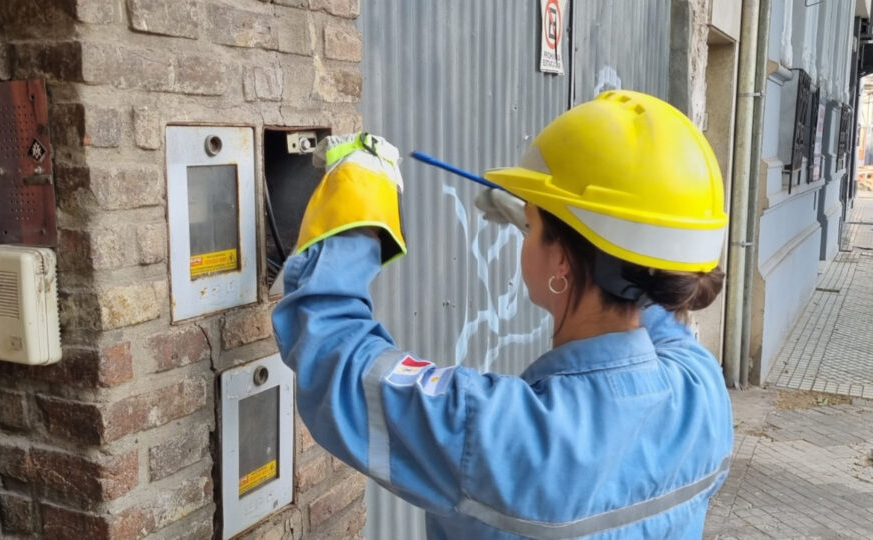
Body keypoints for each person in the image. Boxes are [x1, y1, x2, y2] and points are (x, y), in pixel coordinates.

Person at [272, 90, 734, 539]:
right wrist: (549, 221)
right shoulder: (703, 389)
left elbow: (335, 352)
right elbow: (645, 295)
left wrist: (358, 195)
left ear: (561, 264)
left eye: (531, 229)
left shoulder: (494, 431)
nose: (523, 236)